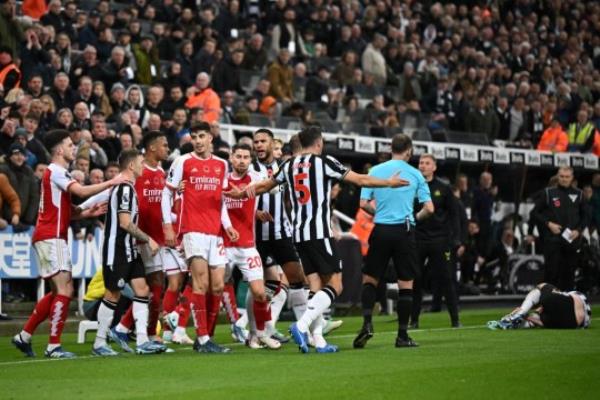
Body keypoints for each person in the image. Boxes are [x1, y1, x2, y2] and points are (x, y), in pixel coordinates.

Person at [227, 126, 408, 353]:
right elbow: (360, 180)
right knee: (336, 284)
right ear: (319, 142)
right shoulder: (325, 162)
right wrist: (388, 183)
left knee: (315, 286)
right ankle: (301, 326)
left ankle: (318, 339)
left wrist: (240, 193)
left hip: (298, 234)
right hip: (319, 233)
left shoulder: (287, 165)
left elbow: (263, 186)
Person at [12, 129, 122, 358]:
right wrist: (113, 181)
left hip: (50, 234)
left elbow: (64, 210)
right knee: (65, 290)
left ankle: (24, 336)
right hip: (51, 236)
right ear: (60, 150)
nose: (74, 148)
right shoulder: (56, 171)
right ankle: (53, 346)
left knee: (56, 292)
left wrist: (85, 214)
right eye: (70, 145)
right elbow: (81, 190)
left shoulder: (56, 174)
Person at [162, 121, 238, 353]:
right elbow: (167, 193)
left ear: (210, 139)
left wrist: (227, 225)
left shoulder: (222, 165)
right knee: (200, 283)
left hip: (215, 232)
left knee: (217, 286)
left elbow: (221, 199)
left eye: (201, 136)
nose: (197, 140)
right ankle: (203, 338)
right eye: (194, 137)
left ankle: (207, 336)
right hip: (192, 230)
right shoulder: (182, 162)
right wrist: (167, 225)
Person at [353, 133, 434, 349]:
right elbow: (429, 208)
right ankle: (402, 335)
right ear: (409, 150)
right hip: (404, 231)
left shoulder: (375, 171)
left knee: (370, 279)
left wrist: (378, 211)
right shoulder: (416, 174)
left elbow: (363, 204)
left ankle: (367, 324)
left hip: (380, 229)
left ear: (391, 148)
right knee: (405, 283)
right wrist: (415, 219)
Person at [91, 149, 166, 356]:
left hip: (130, 249)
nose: (143, 165)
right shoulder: (124, 189)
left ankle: (142, 341)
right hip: (117, 250)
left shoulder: (129, 188)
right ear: (131, 166)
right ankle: (99, 342)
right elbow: (125, 223)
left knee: (142, 290)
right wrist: (148, 238)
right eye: (141, 162)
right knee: (112, 293)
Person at [250, 128, 307, 342]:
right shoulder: (250, 167)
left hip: (282, 233)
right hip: (256, 236)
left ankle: (303, 329)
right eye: (256, 142)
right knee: (257, 286)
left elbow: (291, 199)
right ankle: (254, 332)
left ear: (272, 144)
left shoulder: (286, 167)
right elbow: (238, 200)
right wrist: (254, 212)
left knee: (296, 278)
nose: (259, 145)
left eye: (263, 141)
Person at [224, 144, 281, 349]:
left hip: (248, 245)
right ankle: (204, 335)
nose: (241, 160)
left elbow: (274, 187)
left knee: (259, 292)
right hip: (224, 244)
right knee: (212, 289)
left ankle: (259, 334)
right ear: (231, 158)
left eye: (246, 157)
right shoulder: (222, 179)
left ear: (250, 160)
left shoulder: (255, 178)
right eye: (238, 156)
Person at [410, 154, 461, 329]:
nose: (423, 166)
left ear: (434, 167)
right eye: (420, 163)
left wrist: (457, 239)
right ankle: (414, 320)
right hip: (418, 239)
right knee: (415, 279)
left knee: (446, 279)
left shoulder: (444, 188)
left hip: (440, 240)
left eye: (427, 163)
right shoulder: (412, 187)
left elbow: (455, 215)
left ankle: (455, 320)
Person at [530, 167, 589, 291]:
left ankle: (567, 305)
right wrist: (548, 224)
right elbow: (535, 213)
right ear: (558, 176)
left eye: (567, 177)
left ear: (572, 178)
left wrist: (578, 231)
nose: (564, 179)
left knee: (569, 275)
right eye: (562, 176)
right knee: (551, 274)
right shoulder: (548, 193)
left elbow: (586, 217)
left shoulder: (579, 194)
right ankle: (547, 305)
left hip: (571, 240)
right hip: (553, 240)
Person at [487, 283, 591, 330]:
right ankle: (519, 317)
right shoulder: (547, 317)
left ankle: (521, 312)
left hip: (572, 309)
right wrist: (528, 317)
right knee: (537, 319)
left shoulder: (552, 301)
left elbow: (573, 297)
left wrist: (524, 312)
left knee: (543, 286)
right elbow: (542, 322)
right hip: (573, 323)